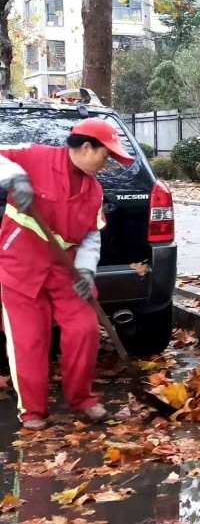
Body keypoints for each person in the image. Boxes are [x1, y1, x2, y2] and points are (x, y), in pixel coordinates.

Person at [0, 118, 135, 430]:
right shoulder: (34, 156)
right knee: (29, 340)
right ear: (86, 147)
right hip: (21, 266)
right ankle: (33, 413)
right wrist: (15, 177)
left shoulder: (94, 190)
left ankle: (81, 399)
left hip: (67, 270)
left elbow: (91, 235)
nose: (107, 162)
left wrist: (87, 271)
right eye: (106, 154)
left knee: (84, 328)